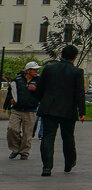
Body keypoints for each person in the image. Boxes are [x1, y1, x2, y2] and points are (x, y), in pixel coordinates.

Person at [36, 44, 86, 177]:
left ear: (61, 55)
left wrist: (41, 101)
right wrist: (82, 112)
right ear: (75, 57)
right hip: (68, 109)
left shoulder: (49, 69)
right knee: (68, 137)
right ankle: (69, 163)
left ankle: (47, 167)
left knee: (48, 136)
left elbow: (40, 88)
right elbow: (80, 93)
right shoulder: (77, 72)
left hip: (49, 108)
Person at [5, 61, 40, 160]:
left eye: (37, 69)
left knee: (27, 132)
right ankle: (15, 148)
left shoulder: (39, 80)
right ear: (28, 70)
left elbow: (43, 92)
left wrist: (36, 89)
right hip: (17, 109)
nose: (36, 71)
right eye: (34, 69)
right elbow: (11, 90)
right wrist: (10, 100)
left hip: (30, 109)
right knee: (12, 129)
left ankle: (24, 151)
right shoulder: (18, 79)